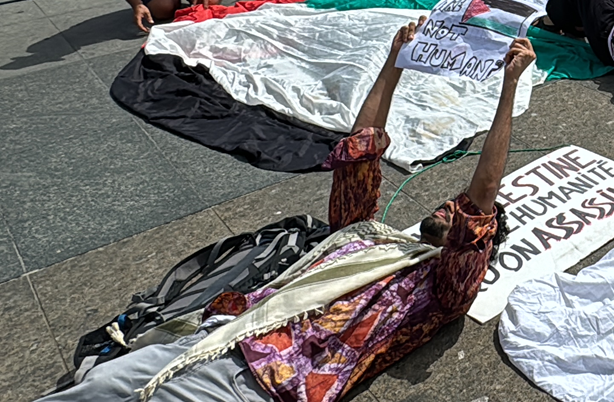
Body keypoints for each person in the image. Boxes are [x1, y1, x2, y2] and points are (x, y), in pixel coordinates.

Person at [50, 20, 530, 402]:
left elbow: (481, 198)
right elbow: (360, 150)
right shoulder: (367, 239)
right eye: (447, 204)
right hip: (216, 336)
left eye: (456, 213)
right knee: (92, 389)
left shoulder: (442, 292)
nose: (448, 208)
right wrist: (394, 62)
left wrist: (508, 88)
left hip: (263, 381)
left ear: (477, 249)